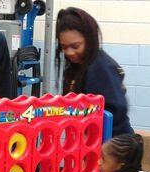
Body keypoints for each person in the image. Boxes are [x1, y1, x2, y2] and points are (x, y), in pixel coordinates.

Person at [55, 7, 131, 137]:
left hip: (114, 146)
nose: (69, 53)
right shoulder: (78, 66)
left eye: (75, 46)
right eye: (64, 47)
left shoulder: (102, 68)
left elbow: (117, 111)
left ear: (89, 40)